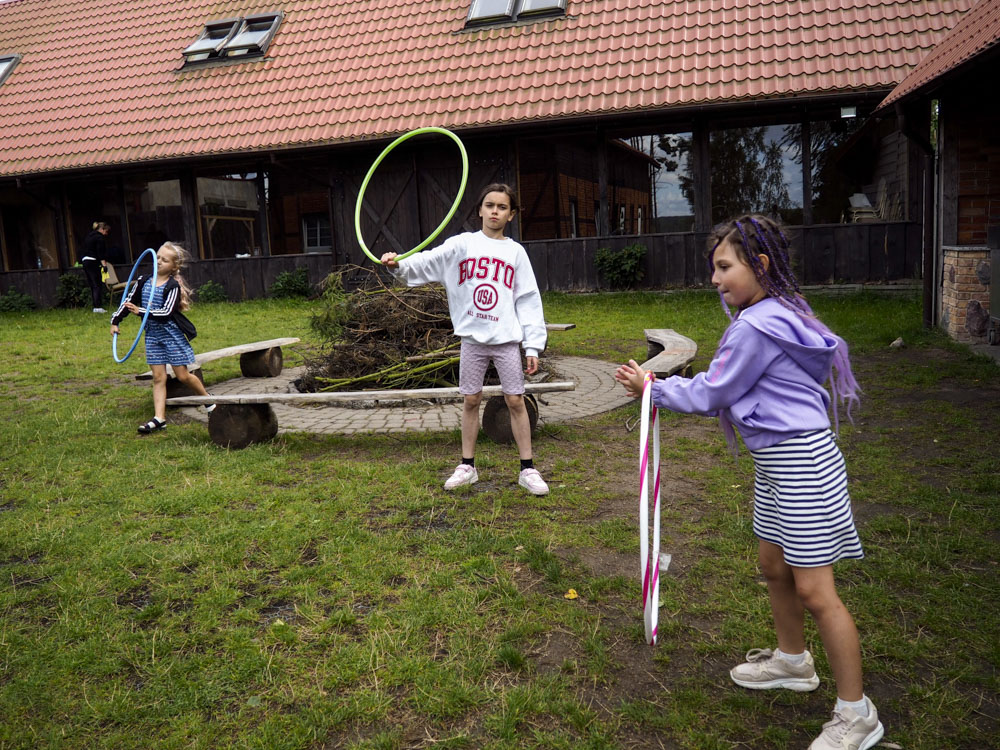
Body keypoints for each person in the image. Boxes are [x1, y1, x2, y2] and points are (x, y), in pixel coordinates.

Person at [614, 215, 883, 750]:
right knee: (774, 565)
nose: (714, 279)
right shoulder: (778, 311)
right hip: (781, 463)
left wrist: (653, 388)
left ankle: (858, 714)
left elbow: (715, 391)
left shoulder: (756, 326)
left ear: (759, 265)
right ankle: (793, 661)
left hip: (801, 465)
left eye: (723, 267)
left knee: (816, 591)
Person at [381, 183, 550, 495]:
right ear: (480, 210)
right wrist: (398, 265)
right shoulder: (462, 245)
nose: (495, 211)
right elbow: (428, 261)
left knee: (515, 400)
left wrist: (533, 345)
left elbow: (528, 299)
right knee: (471, 400)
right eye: (490, 205)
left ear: (511, 215)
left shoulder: (516, 252)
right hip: (472, 340)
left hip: (506, 341)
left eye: (502, 207)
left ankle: (527, 469)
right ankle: (467, 466)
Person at [110, 242, 214, 434]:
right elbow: (128, 302)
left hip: (171, 336)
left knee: (182, 376)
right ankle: (159, 419)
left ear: (174, 266)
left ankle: (210, 402)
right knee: (158, 377)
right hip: (153, 337)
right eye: (157, 257)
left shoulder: (172, 286)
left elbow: (166, 313)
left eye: (164, 260)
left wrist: (141, 311)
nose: (158, 261)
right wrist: (115, 321)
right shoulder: (143, 281)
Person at [81, 222, 111, 313]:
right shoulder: (99, 238)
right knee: (97, 284)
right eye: (106, 231)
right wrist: (104, 265)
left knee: (92, 284)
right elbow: (100, 252)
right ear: (101, 229)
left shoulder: (89, 236)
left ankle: (95, 306)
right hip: (93, 261)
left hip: (85, 260)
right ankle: (98, 306)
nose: (106, 234)